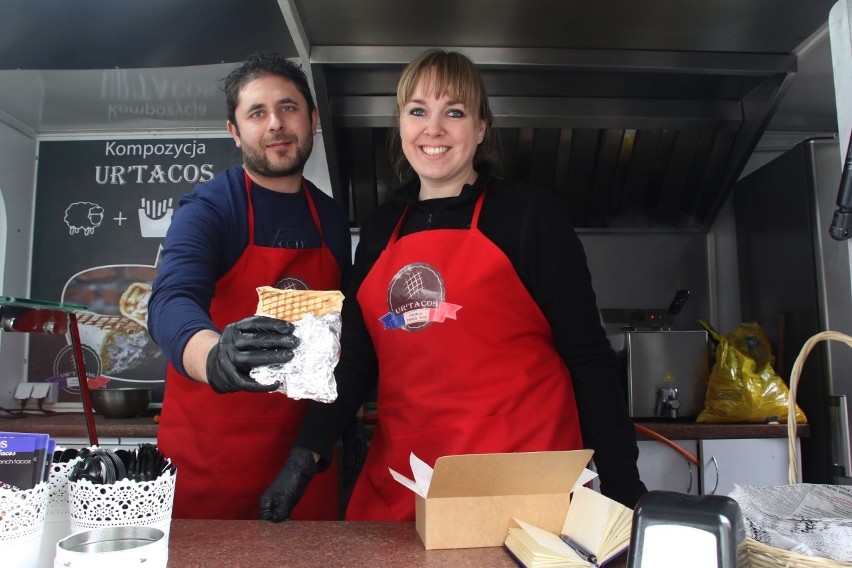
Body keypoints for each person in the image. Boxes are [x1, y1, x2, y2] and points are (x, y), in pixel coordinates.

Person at [258, 48, 647, 522]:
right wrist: (306, 453)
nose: (433, 129)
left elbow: (587, 355)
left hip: (520, 489)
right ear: (401, 123)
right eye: (418, 111)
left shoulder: (528, 216)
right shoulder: (381, 229)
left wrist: (624, 487)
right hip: (406, 485)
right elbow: (358, 360)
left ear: (481, 128)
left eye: (454, 112)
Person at [147, 51, 352, 520]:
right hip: (211, 463)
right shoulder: (211, 208)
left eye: (288, 107)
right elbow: (170, 301)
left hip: (301, 465)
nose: (275, 124)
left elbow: (345, 330)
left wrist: (338, 425)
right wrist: (216, 357)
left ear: (312, 120)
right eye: (257, 113)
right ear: (235, 132)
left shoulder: (332, 219)